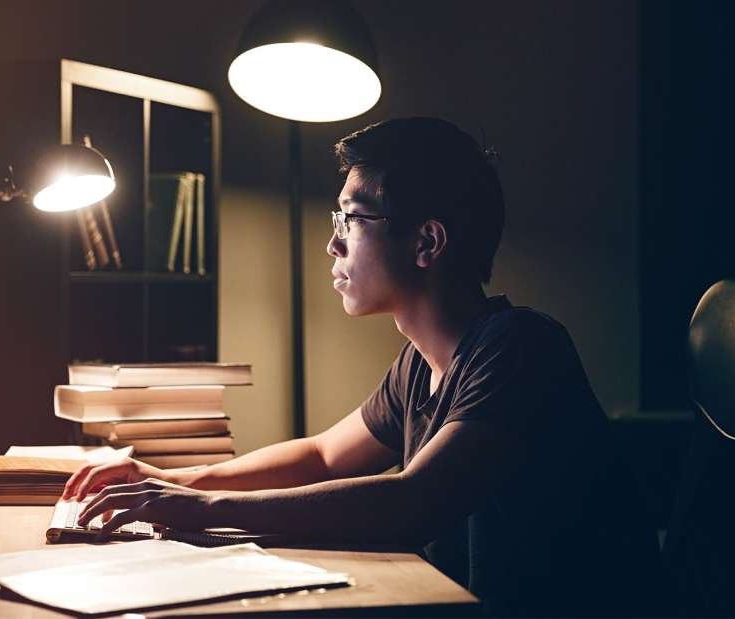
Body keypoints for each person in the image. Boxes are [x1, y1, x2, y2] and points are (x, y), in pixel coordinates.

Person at [64, 117, 664, 617]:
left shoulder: (520, 348)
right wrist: (173, 482)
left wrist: (207, 511)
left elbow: (413, 502)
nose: (333, 244)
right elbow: (322, 455)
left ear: (427, 242)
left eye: (350, 219)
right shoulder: (419, 365)